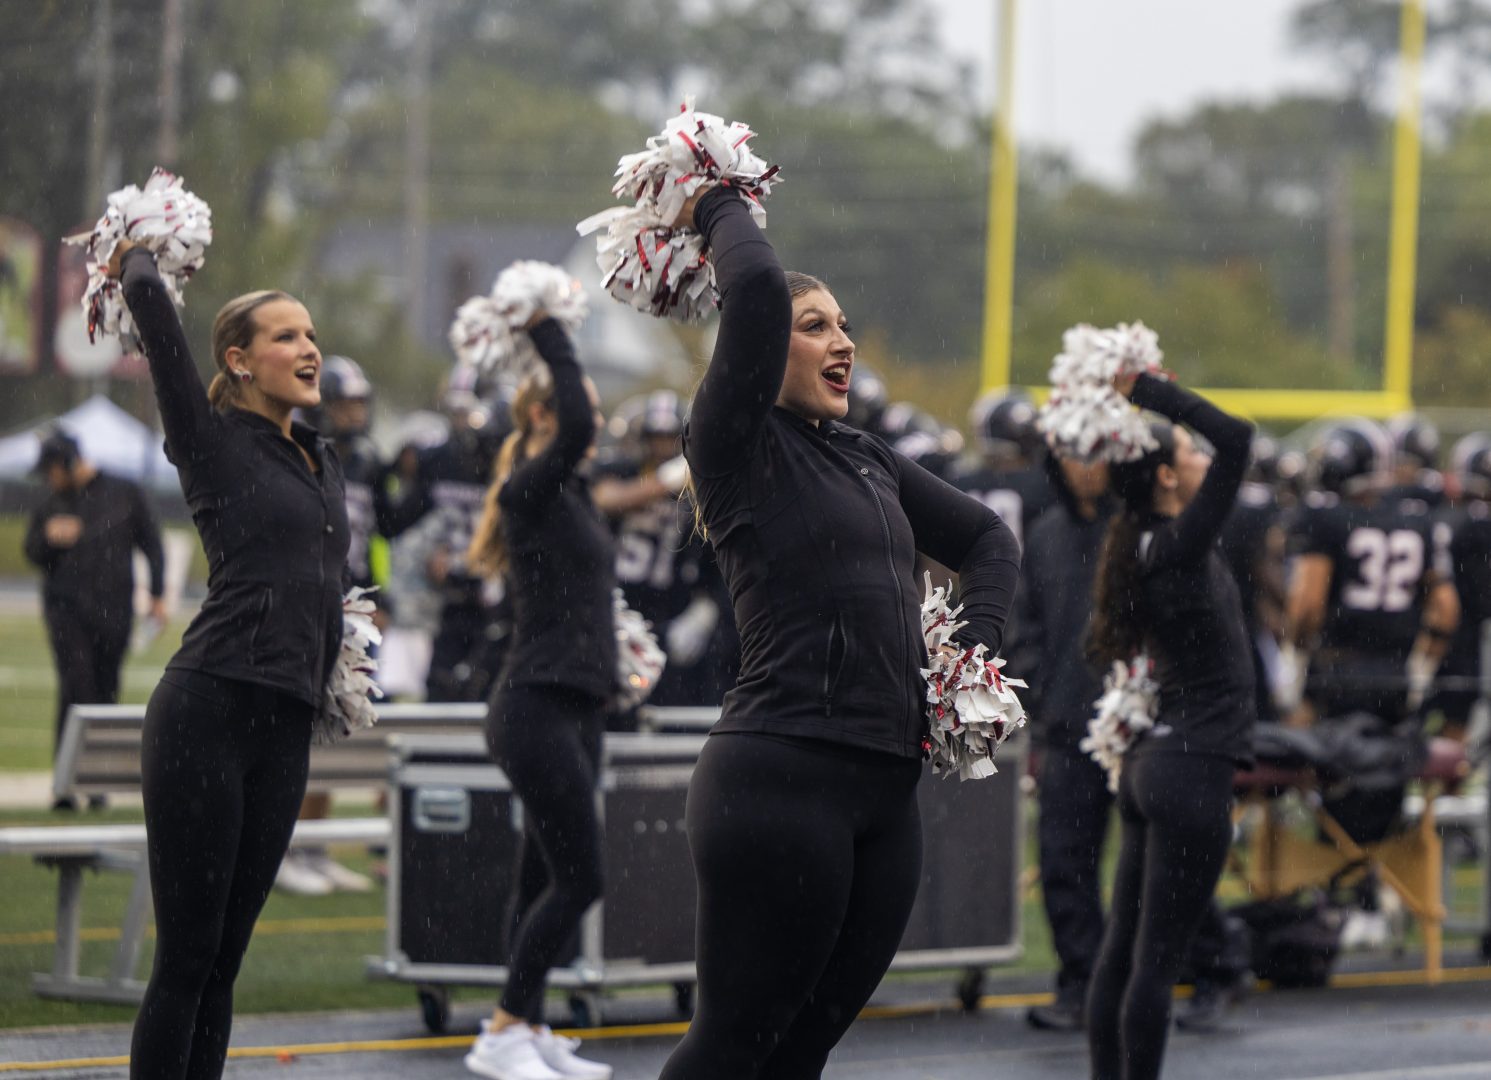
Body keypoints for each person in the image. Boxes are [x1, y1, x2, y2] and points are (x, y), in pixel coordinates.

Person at [657, 185, 1021, 1079]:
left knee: (805, 1044)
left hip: (884, 790)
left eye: (843, 325)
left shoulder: (866, 457)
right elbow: (752, 294)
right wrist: (714, 202)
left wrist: (966, 657)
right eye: (814, 325)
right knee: (735, 1042)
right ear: (763, 349)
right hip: (779, 773)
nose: (842, 342)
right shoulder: (736, 441)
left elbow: (987, 541)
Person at [112, 240, 351, 1080]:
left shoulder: (322, 459)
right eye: (285, 337)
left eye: (310, 334)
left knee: (224, 964)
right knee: (187, 956)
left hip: (284, 722)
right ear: (238, 361)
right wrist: (140, 245)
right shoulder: (209, 438)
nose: (309, 348)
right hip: (207, 710)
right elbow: (147, 298)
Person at [1083, 370, 1255, 1080]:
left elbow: (1222, 446)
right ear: (1160, 475)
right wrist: (1152, 395)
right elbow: (1239, 438)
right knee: (1153, 964)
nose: (1200, 459)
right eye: (1186, 450)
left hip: (1157, 764)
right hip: (1191, 768)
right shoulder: (1174, 546)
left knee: (1123, 954)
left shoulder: (1147, 545)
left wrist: (1155, 407)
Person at [463, 315, 615, 1080]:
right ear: (540, 415)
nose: (596, 421)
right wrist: (552, 333)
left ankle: (530, 1023)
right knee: (582, 877)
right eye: (578, 405)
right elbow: (580, 418)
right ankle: (501, 1032)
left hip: (576, 704)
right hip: (534, 707)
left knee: (541, 878)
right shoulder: (532, 485)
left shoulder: (570, 493)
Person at [1005, 453, 1112, 1031]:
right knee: (1063, 861)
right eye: (1074, 452)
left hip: (1141, 727)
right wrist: (1042, 700)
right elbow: (1025, 629)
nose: (1086, 466)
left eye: (1096, 451)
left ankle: (1205, 967)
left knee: (1159, 865)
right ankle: (1080, 981)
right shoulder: (1045, 535)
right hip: (1070, 726)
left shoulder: (1140, 531)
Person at [274, 355, 381, 897]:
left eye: (359, 403)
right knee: (304, 738)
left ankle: (314, 846)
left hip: (351, 609)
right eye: (345, 404)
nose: (354, 414)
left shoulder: (362, 465)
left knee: (336, 732)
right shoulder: (302, 457)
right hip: (312, 606)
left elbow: (378, 536)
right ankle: (287, 846)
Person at [24, 429, 166, 811]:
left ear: (67, 462)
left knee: (105, 691)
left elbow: (151, 542)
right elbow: (31, 550)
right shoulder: (53, 502)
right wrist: (49, 538)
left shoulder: (124, 491)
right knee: (76, 687)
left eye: (51, 469)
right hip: (66, 612)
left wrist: (156, 594)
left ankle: (97, 783)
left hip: (114, 611)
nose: (48, 478)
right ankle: (66, 785)